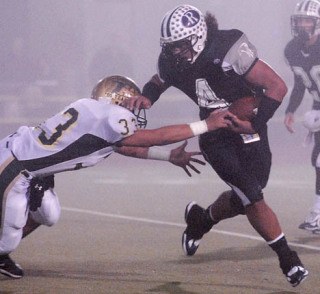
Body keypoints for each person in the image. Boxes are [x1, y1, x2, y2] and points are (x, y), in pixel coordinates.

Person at [125, 4, 309, 287]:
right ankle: (288, 259)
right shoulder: (172, 60)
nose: (175, 52)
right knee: (251, 195)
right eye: (170, 46)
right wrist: (148, 96)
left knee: (251, 191)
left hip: (246, 126)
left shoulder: (228, 48)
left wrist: (255, 124)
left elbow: (276, 86)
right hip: (214, 133)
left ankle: (202, 218)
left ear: (198, 36)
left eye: (180, 45)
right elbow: (159, 79)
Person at [0, 75, 233, 279]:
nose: (134, 109)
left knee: (48, 212)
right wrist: (206, 125)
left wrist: (167, 156)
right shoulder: (112, 116)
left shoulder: (90, 109)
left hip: (26, 162)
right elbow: (155, 136)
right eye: (130, 101)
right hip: (17, 168)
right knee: (6, 240)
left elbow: (122, 147)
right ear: (117, 98)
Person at [284, 0, 320, 234]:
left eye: (307, 20)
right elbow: (299, 82)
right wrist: (290, 110)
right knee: (316, 160)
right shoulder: (292, 50)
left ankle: (317, 214)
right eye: (299, 20)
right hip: (318, 105)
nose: (302, 25)